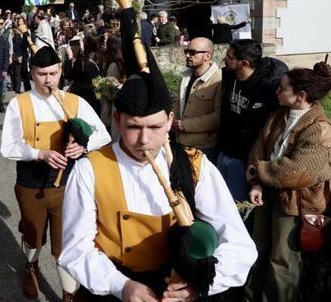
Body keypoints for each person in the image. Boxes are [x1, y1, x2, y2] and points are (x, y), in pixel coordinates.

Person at [59, 40, 256, 301]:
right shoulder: (90, 169)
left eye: (155, 128)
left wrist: (199, 283)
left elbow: (238, 244)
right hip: (114, 289)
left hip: (179, 289)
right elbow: (75, 249)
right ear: (117, 120)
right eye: (133, 127)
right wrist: (121, 285)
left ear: (171, 120)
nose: (144, 140)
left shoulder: (194, 165)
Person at [1, 43, 111, 301]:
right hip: (31, 184)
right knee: (33, 236)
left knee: (65, 243)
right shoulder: (20, 104)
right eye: (42, 74)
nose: (47, 80)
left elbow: (102, 135)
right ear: (32, 73)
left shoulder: (74, 102)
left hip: (68, 186)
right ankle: (31, 266)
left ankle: (68, 294)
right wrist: (39, 154)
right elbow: (8, 147)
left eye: (52, 73)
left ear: (61, 72)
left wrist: (83, 147)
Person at [244, 62, 331, 302]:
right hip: (267, 193)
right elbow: (260, 147)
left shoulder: (320, 129)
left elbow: (297, 172)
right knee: (256, 250)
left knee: (282, 261)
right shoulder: (278, 116)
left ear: (301, 96)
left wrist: (258, 171)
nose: (277, 92)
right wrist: (256, 183)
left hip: (296, 203)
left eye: (283, 88)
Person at [217, 39, 288, 201]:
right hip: (224, 152)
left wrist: (252, 166)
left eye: (229, 57)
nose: (224, 59)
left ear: (244, 63)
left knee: (239, 210)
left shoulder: (266, 89)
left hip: (243, 161)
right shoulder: (229, 77)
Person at [172, 37, 222, 163]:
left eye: (193, 52)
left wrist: (185, 125)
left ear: (207, 56)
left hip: (202, 148)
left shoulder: (218, 80)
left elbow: (218, 117)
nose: (188, 55)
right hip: (180, 143)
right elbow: (179, 104)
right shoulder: (186, 76)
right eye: (186, 51)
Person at [63, 36, 101, 113]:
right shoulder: (97, 56)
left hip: (83, 99)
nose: (78, 45)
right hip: (93, 99)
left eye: (81, 43)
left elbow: (68, 74)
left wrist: (70, 57)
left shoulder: (82, 62)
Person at [11, 18, 32, 94]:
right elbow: (13, 42)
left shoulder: (26, 31)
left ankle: (28, 88)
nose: (20, 22)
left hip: (24, 53)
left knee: (24, 71)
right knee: (16, 72)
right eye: (18, 21)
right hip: (17, 52)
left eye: (21, 21)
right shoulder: (15, 31)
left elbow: (28, 42)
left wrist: (23, 35)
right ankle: (17, 88)